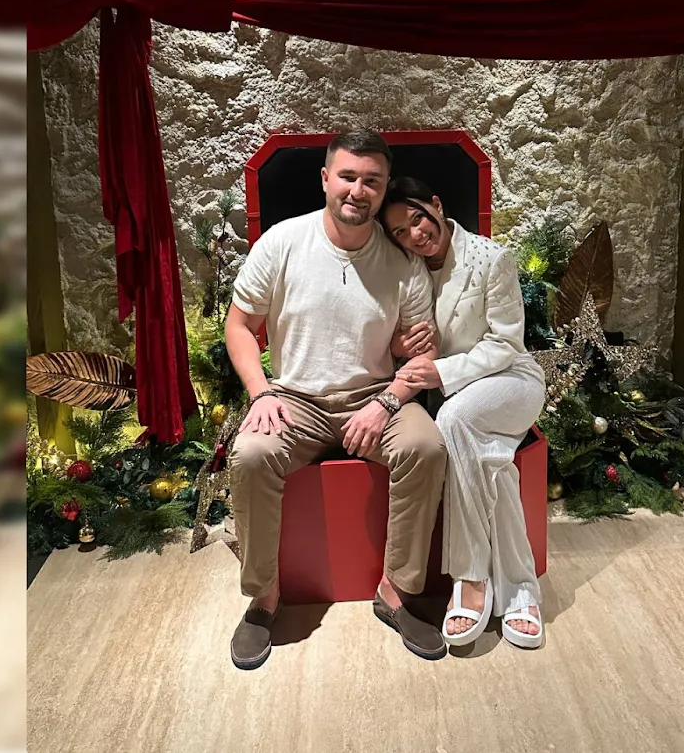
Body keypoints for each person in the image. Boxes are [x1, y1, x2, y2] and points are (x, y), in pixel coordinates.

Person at [224, 129, 450, 670]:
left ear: (385, 187)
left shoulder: (402, 262)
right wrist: (259, 391)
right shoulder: (282, 243)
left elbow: (421, 354)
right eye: (348, 176)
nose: (358, 190)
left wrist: (388, 401)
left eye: (372, 181)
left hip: (374, 396)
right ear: (326, 178)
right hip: (294, 398)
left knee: (425, 447)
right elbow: (239, 325)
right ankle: (264, 597)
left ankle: (396, 590)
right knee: (251, 454)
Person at [379, 177, 549, 649]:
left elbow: (506, 343)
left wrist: (441, 371)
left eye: (418, 219)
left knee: (453, 419)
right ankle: (520, 590)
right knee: (494, 465)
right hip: (456, 396)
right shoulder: (406, 271)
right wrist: (400, 345)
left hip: (511, 382)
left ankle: (470, 578)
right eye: (400, 231)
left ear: (436, 204)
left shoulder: (491, 258)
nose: (414, 235)